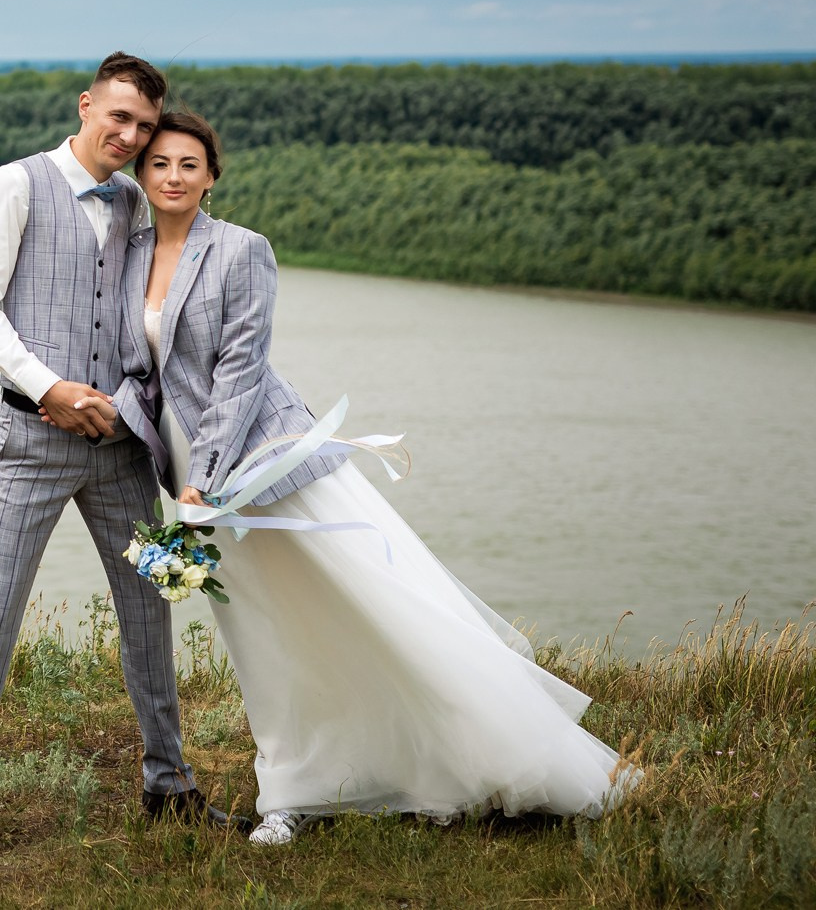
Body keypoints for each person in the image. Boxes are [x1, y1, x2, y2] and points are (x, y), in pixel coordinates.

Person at [116, 109, 635, 846]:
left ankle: (490, 755)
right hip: (194, 481)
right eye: (160, 162)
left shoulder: (243, 251)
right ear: (142, 172)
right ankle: (292, 791)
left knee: (371, 608)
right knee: (263, 633)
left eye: (188, 164)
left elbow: (240, 368)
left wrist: (207, 478)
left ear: (212, 175)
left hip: (267, 463)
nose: (172, 176)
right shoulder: (132, 251)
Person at [0, 53, 239, 872]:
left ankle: (168, 783)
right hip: (29, 443)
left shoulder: (136, 197)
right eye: (120, 119)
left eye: (144, 126)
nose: (131, 137)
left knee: (154, 608)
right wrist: (49, 386)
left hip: (123, 450)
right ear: (88, 105)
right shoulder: (15, 183)